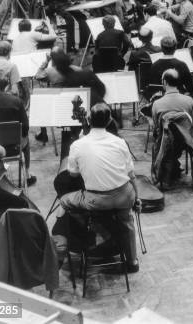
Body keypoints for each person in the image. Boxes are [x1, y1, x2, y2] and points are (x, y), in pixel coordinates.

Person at [57, 103, 140, 273]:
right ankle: (132, 262)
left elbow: (72, 174)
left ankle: (79, 243)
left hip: (97, 201)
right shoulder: (120, 142)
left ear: (88, 119)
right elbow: (131, 175)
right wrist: (136, 198)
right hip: (125, 195)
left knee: (64, 201)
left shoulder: (78, 145)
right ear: (110, 120)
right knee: (127, 220)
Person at [0, 71, 36, 186]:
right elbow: (25, 127)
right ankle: (28, 174)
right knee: (27, 140)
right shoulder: (16, 101)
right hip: (15, 147)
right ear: (7, 85)